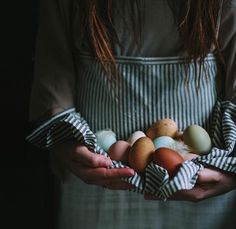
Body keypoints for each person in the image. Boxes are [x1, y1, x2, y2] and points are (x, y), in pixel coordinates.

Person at [27, 0, 236, 228]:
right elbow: (53, 82)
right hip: (95, 179)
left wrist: (232, 171)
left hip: (205, 183)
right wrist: (65, 144)